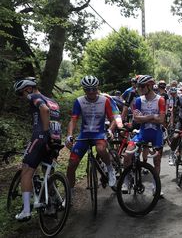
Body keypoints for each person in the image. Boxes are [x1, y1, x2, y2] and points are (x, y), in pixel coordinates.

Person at [13, 77, 62, 221]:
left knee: (26, 169)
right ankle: (52, 204)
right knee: (47, 172)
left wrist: (45, 134)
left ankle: (26, 211)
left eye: (21, 93)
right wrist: (52, 137)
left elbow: (44, 110)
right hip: (56, 139)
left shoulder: (34, 96)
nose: (22, 97)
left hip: (42, 137)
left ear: (28, 89)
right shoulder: (52, 100)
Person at [66, 76, 117, 195]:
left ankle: (110, 169)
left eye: (93, 89)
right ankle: (69, 193)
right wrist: (69, 135)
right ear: (84, 90)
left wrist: (110, 130)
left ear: (97, 88)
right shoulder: (79, 101)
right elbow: (73, 119)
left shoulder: (105, 100)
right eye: (88, 89)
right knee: (72, 163)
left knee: (100, 149)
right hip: (84, 135)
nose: (91, 92)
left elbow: (112, 119)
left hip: (99, 134)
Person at [122, 75, 166, 193]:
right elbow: (136, 119)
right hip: (142, 133)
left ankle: (155, 185)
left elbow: (161, 120)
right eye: (139, 86)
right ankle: (126, 181)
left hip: (156, 134)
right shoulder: (138, 100)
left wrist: (145, 118)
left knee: (157, 161)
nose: (139, 89)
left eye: (142, 86)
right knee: (127, 155)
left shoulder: (160, 100)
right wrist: (152, 116)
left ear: (150, 86)